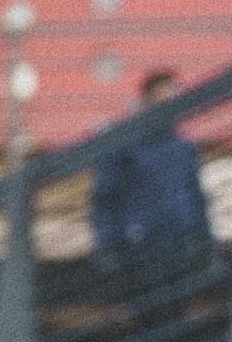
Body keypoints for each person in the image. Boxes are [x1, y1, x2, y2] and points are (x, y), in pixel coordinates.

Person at [89, 67, 220, 314]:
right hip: (140, 246)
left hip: (179, 243)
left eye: (174, 97)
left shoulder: (183, 147)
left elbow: (195, 197)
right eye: (164, 97)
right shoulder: (124, 145)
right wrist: (108, 245)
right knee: (151, 314)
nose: (170, 104)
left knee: (176, 313)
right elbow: (105, 198)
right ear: (148, 100)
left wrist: (208, 243)